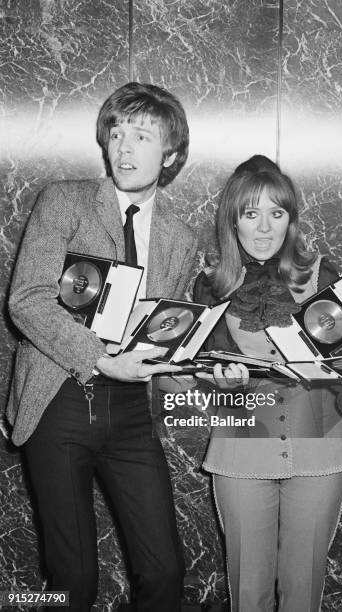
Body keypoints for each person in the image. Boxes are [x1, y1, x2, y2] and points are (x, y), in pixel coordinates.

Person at [7, 82, 198, 612]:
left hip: (132, 413)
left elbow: (165, 326)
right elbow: (26, 300)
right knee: (73, 581)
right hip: (59, 402)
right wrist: (100, 356)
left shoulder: (181, 237)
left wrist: (176, 343)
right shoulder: (65, 200)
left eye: (142, 135)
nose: (125, 147)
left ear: (172, 153)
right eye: (116, 133)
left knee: (164, 571)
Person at [193, 155, 342, 612]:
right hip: (241, 452)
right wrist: (222, 387)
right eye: (250, 213)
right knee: (248, 593)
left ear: (291, 220)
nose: (264, 228)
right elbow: (202, 378)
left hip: (321, 454)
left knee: (304, 594)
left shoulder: (327, 274)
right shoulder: (209, 285)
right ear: (232, 221)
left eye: (276, 213)